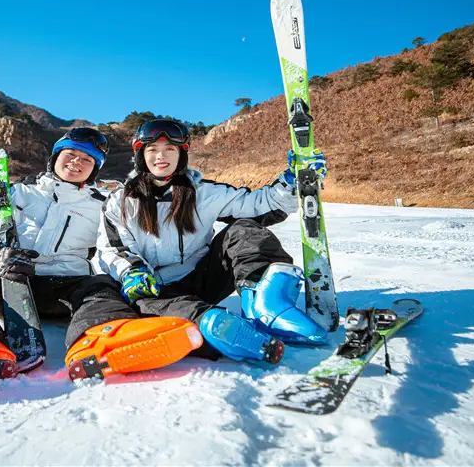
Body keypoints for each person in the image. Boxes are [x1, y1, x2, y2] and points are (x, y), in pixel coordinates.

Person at [0, 127, 201, 386]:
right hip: (9, 284)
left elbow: (116, 245)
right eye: (70, 154)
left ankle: (104, 338)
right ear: (54, 158)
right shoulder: (15, 195)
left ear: (94, 170)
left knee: (100, 286)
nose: (76, 162)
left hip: (64, 287)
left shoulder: (101, 205)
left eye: (86, 160)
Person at [96, 119, 330, 366]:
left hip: (201, 278)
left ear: (182, 154)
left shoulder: (204, 192)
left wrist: (291, 183)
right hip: (153, 288)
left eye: (170, 149)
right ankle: (222, 328)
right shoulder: (119, 201)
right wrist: (132, 272)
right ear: (141, 156)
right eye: (152, 150)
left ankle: (267, 304)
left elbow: (259, 206)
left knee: (243, 229)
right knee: (152, 310)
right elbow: (113, 248)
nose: (160, 156)